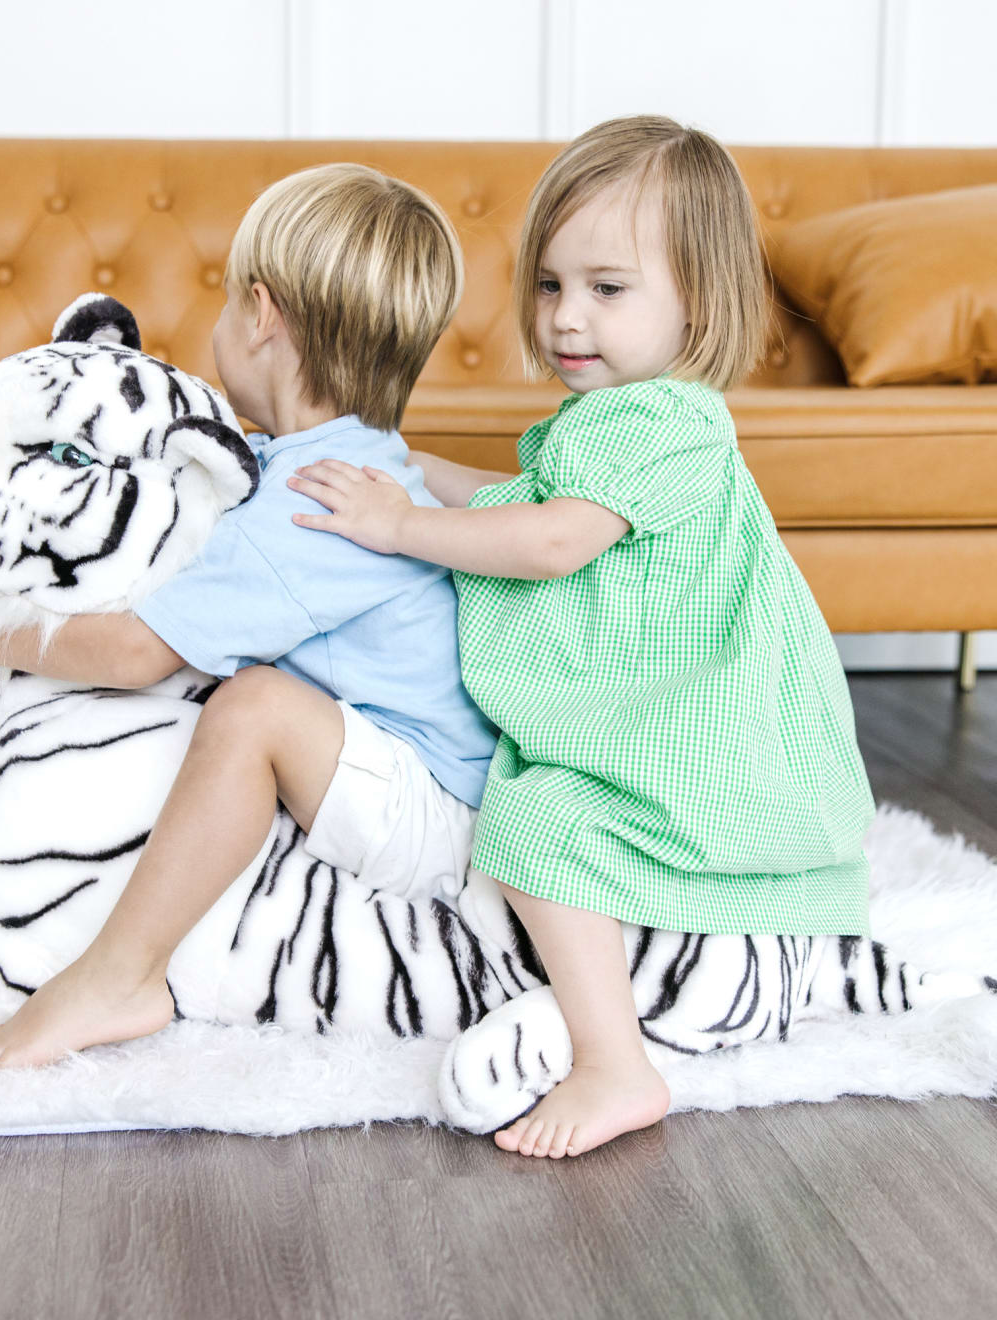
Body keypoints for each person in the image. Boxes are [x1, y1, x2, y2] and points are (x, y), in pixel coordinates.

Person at [286, 115, 876, 1159]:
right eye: (552, 285)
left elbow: (552, 539)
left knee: (542, 816)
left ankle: (617, 1064)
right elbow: (525, 495)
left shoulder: (664, 422)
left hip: (684, 720)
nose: (567, 318)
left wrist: (400, 524)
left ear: (703, 297)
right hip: (653, 696)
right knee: (536, 791)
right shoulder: (612, 420)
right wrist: (410, 474)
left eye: (608, 289)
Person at [0, 163, 498, 1068]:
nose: (222, 325)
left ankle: (122, 973)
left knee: (252, 708)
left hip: (436, 816)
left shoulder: (310, 504)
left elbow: (135, 650)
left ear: (263, 315)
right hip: (404, 767)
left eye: (229, 303)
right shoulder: (328, 461)